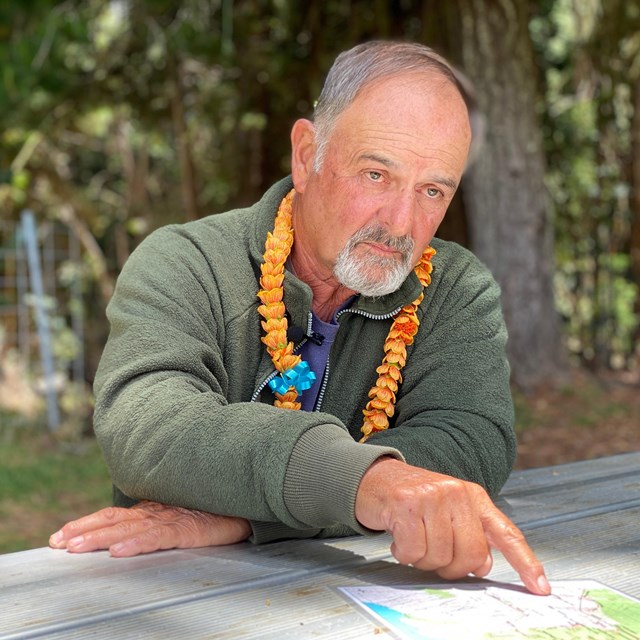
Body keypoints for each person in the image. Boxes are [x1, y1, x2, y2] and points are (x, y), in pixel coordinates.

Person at [49, 41, 550, 596]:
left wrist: (247, 515)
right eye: (376, 175)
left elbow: (470, 444)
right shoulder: (185, 262)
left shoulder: (455, 289)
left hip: (372, 599)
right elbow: (146, 426)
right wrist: (367, 484)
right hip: (175, 596)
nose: (401, 223)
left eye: (432, 190)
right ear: (306, 154)